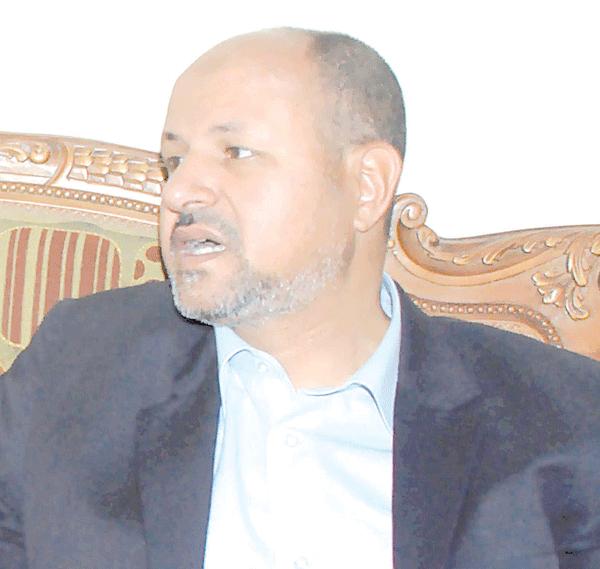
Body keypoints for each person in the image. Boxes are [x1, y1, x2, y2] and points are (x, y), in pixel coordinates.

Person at [1, 27, 600, 569]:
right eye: (174, 161)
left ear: (366, 186)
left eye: (236, 153)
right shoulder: (80, 362)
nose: (179, 191)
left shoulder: (561, 417)